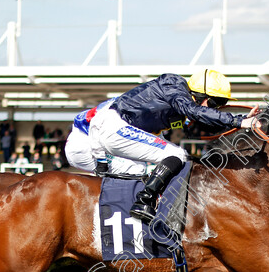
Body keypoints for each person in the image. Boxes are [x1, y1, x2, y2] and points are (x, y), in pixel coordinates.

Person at [84, 69, 257, 222]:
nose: (217, 108)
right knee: (176, 154)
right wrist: (239, 121)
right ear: (200, 95)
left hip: (112, 128)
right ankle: (145, 200)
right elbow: (196, 112)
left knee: (175, 157)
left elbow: (202, 120)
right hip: (113, 127)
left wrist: (240, 121)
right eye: (215, 103)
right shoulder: (174, 85)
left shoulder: (181, 101)